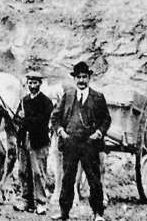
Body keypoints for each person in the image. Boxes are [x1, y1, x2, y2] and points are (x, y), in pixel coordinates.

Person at [50, 62, 111, 221]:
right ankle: (64, 213)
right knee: (67, 179)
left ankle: (98, 214)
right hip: (70, 143)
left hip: (90, 144)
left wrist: (98, 133)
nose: (81, 80)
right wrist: (61, 132)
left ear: (89, 78)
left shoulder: (98, 97)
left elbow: (106, 119)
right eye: (78, 77)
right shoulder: (68, 96)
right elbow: (55, 117)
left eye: (84, 77)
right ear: (74, 79)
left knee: (94, 179)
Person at [13, 71, 53, 215]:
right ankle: (26, 201)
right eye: (30, 83)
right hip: (24, 141)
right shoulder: (24, 101)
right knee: (23, 172)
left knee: (38, 173)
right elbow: (15, 119)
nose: (32, 85)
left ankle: (40, 202)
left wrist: (25, 119)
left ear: (39, 84)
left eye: (35, 83)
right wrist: (20, 118)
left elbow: (41, 122)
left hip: (39, 142)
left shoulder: (46, 102)